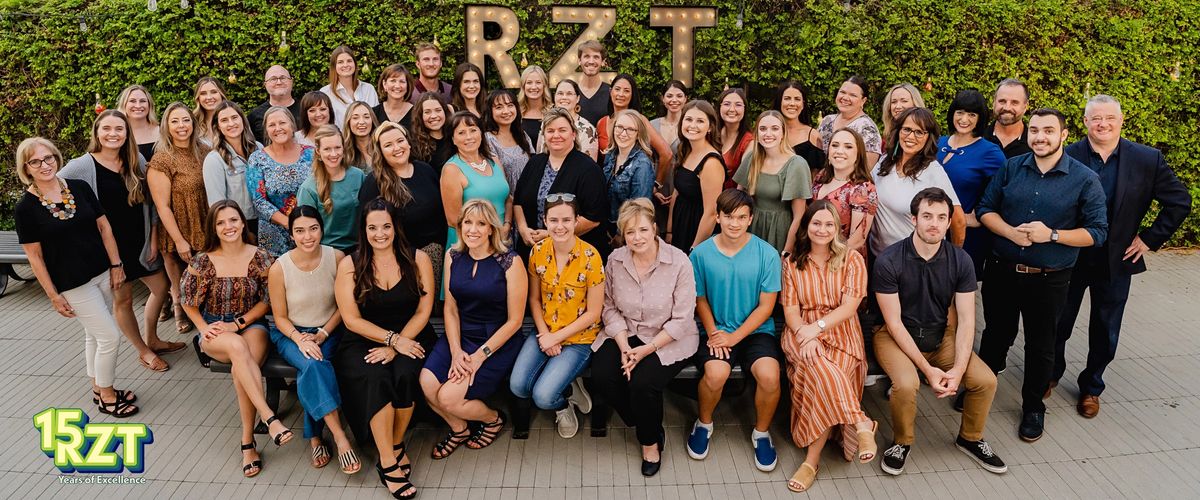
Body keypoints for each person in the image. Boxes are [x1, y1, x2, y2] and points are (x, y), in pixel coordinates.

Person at [1053, 95, 1192, 418]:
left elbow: (1180, 201)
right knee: (1058, 322)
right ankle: (1050, 375)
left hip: (1117, 259)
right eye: (1095, 118)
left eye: (1109, 118)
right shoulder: (1067, 155)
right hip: (1070, 255)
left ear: (1121, 120)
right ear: (1085, 122)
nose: (1102, 124)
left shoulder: (1147, 159)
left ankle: (1091, 387)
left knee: (1106, 328)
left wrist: (1149, 238)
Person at [976, 108, 1108, 442]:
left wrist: (1051, 235)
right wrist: (1008, 231)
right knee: (995, 334)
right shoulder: (1011, 168)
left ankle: (1034, 406)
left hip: (1049, 278)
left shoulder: (1084, 178)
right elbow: (985, 210)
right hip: (1002, 272)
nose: (1040, 137)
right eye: (1034, 130)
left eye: (1048, 131)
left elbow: (1097, 232)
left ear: (1064, 135)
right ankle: (979, 389)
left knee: (1041, 345)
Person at [872, 187, 1007, 476]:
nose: (934, 223)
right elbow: (893, 323)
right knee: (908, 384)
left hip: (940, 335)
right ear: (914, 219)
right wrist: (927, 370)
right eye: (927, 216)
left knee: (985, 380)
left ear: (949, 223)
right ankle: (901, 442)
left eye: (941, 217)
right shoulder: (889, 261)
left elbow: (968, 320)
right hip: (895, 337)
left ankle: (970, 438)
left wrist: (957, 370)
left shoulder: (961, 261)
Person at [15, 137, 138, 418]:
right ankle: (107, 395)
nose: (44, 165)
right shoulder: (26, 208)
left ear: (56, 158)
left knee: (93, 334)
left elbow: (104, 228)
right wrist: (52, 295)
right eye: (36, 161)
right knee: (109, 336)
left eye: (48, 158)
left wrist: (116, 264)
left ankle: (98, 386)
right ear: (27, 168)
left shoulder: (78, 188)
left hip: (102, 271)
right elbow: (35, 257)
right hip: (72, 283)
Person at [61, 110, 180, 373]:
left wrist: (152, 239)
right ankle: (143, 351)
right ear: (97, 133)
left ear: (127, 134)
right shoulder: (81, 166)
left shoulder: (134, 159)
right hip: (108, 247)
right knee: (123, 300)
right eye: (107, 129)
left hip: (139, 241)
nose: (113, 134)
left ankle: (153, 338)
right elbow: (53, 187)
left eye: (119, 129)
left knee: (162, 288)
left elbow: (149, 203)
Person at [333, 198, 436, 499]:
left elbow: (424, 310)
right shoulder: (349, 265)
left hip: (412, 333)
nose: (380, 234)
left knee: (405, 373)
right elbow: (351, 320)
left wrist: (399, 344)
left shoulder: (419, 260)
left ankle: (395, 442)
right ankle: (389, 462)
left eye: (386, 226)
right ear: (363, 230)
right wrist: (392, 340)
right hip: (364, 338)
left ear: (396, 227)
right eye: (373, 228)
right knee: (376, 377)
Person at [181, 200, 293, 477]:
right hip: (215, 329)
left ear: (243, 223)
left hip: (252, 323)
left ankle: (248, 443)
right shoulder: (202, 260)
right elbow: (187, 301)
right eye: (220, 223)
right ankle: (269, 418)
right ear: (213, 228)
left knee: (242, 366)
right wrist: (202, 327)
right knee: (235, 347)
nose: (228, 227)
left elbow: (268, 301)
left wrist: (240, 322)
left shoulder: (261, 257)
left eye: (233, 220)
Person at [590, 199, 698, 477]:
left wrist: (646, 350)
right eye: (629, 232)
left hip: (667, 339)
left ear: (655, 229)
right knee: (603, 374)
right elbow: (609, 306)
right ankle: (642, 420)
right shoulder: (615, 260)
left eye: (642, 230)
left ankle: (649, 443)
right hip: (627, 332)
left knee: (642, 383)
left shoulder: (679, 262)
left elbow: (682, 318)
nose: (636, 238)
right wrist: (625, 346)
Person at [780, 201, 876, 492]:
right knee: (819, 367)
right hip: (800, 330)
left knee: (827, 372)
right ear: (806, 227)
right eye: (816, 224)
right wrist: (804, 334)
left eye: (829, 224)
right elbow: (791, 311)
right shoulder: (792, 262)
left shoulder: (852, 259)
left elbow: (849, 307)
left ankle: (811, 461)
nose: (822, 230)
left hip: (840, 330)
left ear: (838, 228)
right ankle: (860, 423)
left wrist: (817, 330)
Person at [420, 200, 527, 458]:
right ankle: (459, 428)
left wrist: (479, 356)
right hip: (459, 334)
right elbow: (451, 309)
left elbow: (515, 321)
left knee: (447, 397)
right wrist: (456, 351)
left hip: (496, 340)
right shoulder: (452, 255)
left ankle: (492, 419)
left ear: (491, 228)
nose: (473, 230)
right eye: (468, 223)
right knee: (427, 384)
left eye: (481, 224)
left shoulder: (510, 262)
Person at [686, 189, 782, 472]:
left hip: (755, 330)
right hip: (714, 329)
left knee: (769, 376)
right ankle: (704, 423)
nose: (734, 223)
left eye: (741, 217)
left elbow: (766, 306)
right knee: (716, 374)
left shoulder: (767, 254)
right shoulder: (701, 254)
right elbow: (699, 299)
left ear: (750, 219)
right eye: (728, 216)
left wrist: (734, 337)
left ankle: (761, 433)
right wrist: (715, 332)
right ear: (717, 217)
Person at [266, 206, 359, 474]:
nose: (307, 236)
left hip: (330, 330)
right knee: (313, 364)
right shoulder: (279, 268)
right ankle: (340, 437)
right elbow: (280, 317)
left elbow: (345, 305)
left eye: (313, 228)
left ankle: (315, 436)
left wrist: (323, 333)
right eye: (299, 231)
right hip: (291, 334)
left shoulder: (337, 257)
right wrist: (301, 339)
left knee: (315, 368)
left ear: (322, 228)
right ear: (291, 234)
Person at [510, 195, 604, 439]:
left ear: (575, 222)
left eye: (566, 220)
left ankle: (561, 405)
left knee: (543, 396)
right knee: (518, 386)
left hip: (579, 338)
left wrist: (556, 338)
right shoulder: (537, 252)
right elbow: (534, 300)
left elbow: (594, 313)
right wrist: (545, 335)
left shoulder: (591, 257)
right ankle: (568, 391)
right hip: (546, 329)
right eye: (553, 220)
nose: (559, 226)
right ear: (544, 220)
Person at [147, 101, 210, 335]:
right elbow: (162, 206)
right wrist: (180, 240)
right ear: (166, 126)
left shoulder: (204, 151)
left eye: (185, 120)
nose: (181, 125)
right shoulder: (162, 160)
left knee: (202, 272)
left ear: (193, 124)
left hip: (203, 221)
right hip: (177, 225)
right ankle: (178, 308)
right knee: (177, 272)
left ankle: (202, 312)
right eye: (175, 121)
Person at [513, 107, 610, 258]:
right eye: (550, 131)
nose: (556, 135)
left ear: (573, 134)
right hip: (532, 250)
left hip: (572, 255)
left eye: (562, 130)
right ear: (544, 135)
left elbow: (594, 218)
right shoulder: (535, 163)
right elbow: (518, 201)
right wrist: (523, 229)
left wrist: (551, 234)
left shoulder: (589, 169)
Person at [869, 107, 966, 258]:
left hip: (915, 261)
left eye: (919, 132)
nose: (911, 136)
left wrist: (952, 260)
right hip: (879, 257)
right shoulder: (884, 161)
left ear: (929, 137)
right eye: (906, 129)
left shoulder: (933, 172)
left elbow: (958, 221)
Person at [360, 122, 447, 283]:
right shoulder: (374, 183)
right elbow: (365, 226)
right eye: (388, 145)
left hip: (435, 255)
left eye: (400, 141)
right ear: (380, 151)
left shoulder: (425, 170)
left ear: (408, 142)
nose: (397, 148)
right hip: (398, 260)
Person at [937, 89, 1006, 276]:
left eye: (971, 114)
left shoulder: (989, 152)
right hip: (931, 230)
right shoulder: (937, 142)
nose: (964, 119)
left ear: (979, 118)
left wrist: (979, 215)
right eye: (960, 112)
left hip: (965, 236)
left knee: (957, 293)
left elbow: (1005, 189)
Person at [733, 110, 812, 254]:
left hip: (780, 232)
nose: (768, 134)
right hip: (751, 230)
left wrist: (787, 250)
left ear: (783, 133)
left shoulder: (796, 164)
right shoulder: (752, 159)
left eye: (774, 129)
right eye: (763, 129)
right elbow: (738, 199)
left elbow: (799, 215)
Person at [246, 106, 315, 258]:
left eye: (282, 123)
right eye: (272, 125)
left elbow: (322, 189)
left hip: (310, 232)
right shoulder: (257, 159)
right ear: (266, 130)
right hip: (274, 236)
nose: (278, 128)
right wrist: (289, 223)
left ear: (292, 124)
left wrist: (303, 226)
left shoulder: (312, 154)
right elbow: (259, 201)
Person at [440, 111, 511, 251]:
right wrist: (488, 236)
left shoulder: (494, 161)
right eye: (461, 133)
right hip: (470, 244)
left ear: (481, 133)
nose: (469, 137)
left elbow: (508, 199)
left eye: (473, 130)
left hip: (502, 237)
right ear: (453, 139)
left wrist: (506, 226)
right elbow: (454, 220)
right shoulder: (452, 170)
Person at [668, 100, 725, 253]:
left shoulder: (711, 162)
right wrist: (669, 231)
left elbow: (711, 214)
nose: (692, 125)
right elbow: (677, 192)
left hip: (697, 231)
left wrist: (695, 249)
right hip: (680, 225)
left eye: (700, 121)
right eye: (688, 119)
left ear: (710, 128)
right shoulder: (685, 150)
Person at [298, 125, 366, 252]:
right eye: (327, 149)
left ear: (343, 148)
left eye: (337, 148)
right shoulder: (308, 188)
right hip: (327, 251)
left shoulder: (358, 176)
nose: (333, 154)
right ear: (318, 152)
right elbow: (306, 229)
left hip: (360, 249)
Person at [811, 128, 878, 257]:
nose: (839, 151)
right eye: (835, 145)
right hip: (813, 252)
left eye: (848, 147)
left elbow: (856, 240)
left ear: (858, 154)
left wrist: (827, 260)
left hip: (842, 258)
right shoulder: (821, 176)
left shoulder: (862, 189)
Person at [597, 75, 673, 180]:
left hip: (634, 188)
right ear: (610, 91)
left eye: (626, 91)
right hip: (606, 187)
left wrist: (657, 183)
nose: (621, 94)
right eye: (617, 89)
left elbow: (666, 153)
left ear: (632, 95)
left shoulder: (639, 121)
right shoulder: (601, 123)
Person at [203, 100, 261, 236]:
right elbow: (217, 205)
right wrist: (240, 230)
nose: (231, 123)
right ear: (218, 127)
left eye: (234, 117)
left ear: (243, 120)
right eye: (224, 120)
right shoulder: (214, 160)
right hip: (238, 226)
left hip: (266, 222)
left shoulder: (259, 149)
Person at [602, 110, 656, 229]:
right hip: (605, 226)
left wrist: (620, 234)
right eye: (619, 127)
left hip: (626, 230)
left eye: (630, 129)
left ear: (638, 134)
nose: (623, 133)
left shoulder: (642, 165)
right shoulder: (611, 154)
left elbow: (639, 208)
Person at [818, 76, 882, 167]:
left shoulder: (867, 128)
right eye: (842, 92)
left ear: (863, 101)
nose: (845, 98)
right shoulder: (827, 121)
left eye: (853, 95)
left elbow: (866, 167)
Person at [483, 89, 534, 191]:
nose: (506, 111)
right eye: (499, 107)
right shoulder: (488, 139)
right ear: (490, 111)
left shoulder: (522, 135)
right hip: (505, 198)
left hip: (528, 196)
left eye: (510, 105)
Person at [320, 45, 380, 128]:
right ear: (334, 66)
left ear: (355, 64)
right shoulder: (325, 93)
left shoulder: (368, 89)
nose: (345, 65)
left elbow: (375, 119)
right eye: (340, 62)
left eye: (349, 61)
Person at [774, 80, 825, 177]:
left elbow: (817, 176)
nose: (792, 103)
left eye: (797, 99)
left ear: (803, 104)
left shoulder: (813, 136)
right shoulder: (768, 132)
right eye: (787, 98)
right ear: (780, 101)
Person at [542, 79, 599, 161]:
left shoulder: (588, 129)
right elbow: (540, 153)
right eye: (560, 93)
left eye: (569, 94)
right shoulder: (546, 123)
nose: (564, 97)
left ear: (578, 98)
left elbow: (589, 166)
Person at [248, 65, 303, 143]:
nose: (279, 82)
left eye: (283, 78)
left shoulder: (305, 109)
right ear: (265, 84)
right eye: (273, 79)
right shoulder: (254, 116)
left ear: (291, 81)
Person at [982, 78, 1033, 158]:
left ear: (1025, 106)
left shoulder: (1033, 145)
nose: (1007, 108)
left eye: (1014, 102)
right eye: (1002, 101)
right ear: (994, 103)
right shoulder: (978, 138)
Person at [717, 87, 754, 190]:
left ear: (745, 109)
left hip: (729, 200)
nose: (732, 109)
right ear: (719, 107)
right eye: (727, 104)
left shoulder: (749, 142)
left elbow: (742, 184)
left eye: (738, 105)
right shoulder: (711, 134)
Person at [117, 84, 161, 162]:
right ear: (124, 105)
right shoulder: (116, 133)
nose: (138, 105)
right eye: (132, 101)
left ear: (149, 105)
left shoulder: (162, 132)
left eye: (142, 101)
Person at [411, 92, 454, 171]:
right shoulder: (415, 146)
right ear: (420, 116)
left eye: (438, 110)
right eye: (427, 112)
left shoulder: (455, 138)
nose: (433, 116)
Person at [576, 40, 611, 126]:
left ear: (603, 62)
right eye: (587, 56)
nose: (591, 61)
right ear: (579, 61)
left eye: (596, 57)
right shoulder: (571, 92)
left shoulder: (611, 92)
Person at [880, 83, 926, 148]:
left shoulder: (926, 135)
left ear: (915, 104)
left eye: (904, 101)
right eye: (894, 102)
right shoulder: (887, 138)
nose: (898, 106)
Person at [341, 101, 378, 172]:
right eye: (355, 118)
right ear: (348, 122)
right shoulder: (343, 153)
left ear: (372, 120)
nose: (361, 122)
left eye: (366, 117)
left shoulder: (383, 147)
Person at [374, 64, 415, 128]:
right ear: (384, 84)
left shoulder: (416, 113)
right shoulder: (374, 113)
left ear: (408, 85)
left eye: (402, 81)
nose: (397, 86)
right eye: (393, 81)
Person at [649, 80, 688, 148]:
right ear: (663, 98)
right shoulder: (652, 125)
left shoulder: (689, 126)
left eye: (679, 96)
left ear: (685, 99)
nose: (674, 100)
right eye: (669, 96)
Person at [191, 76, 228, 147]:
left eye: (214, 92)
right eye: (203, 93)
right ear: (198, 98)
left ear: (221, 94)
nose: (209, 97)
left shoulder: (233, 119)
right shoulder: (192, 123)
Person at [518, 65, 551, 142]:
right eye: (529, 82)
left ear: (544, 86)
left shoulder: (553, 113)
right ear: (523, 86)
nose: (534, 87)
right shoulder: (515, 113)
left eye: (538, 82)